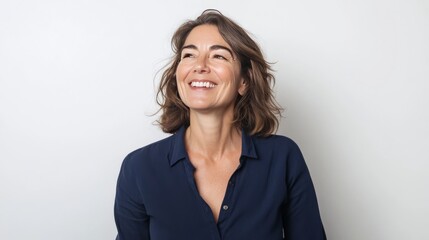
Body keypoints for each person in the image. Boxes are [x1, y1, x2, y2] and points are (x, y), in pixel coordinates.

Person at [114, 9, 326, 240]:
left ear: (244, 81)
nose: (200, 66)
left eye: (219, 56)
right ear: (178, 75)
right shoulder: (139, 169)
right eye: (189, 55)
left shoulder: (283, 157)